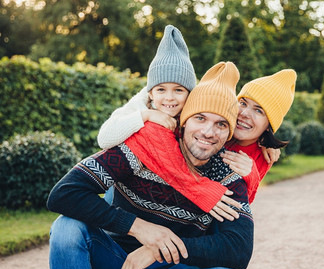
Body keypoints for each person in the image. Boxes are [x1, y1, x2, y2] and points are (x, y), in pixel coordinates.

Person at [47, 61, 253, 269]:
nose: (208, 132)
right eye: (200, 118)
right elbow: (64, 193)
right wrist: (138, 227)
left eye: (221, 124)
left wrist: (157, 250)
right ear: (184, 121)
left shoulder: (228, 176)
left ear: (229, 134)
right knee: (66, 228)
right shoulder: (141, 149)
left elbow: (239, 249)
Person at [98, 24, 244, 221]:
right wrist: (145, 116)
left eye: (178, 90)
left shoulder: (192, 112)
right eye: (161, 90)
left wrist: (266, 144)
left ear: (190, 93)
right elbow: (104, 138)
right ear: (150, 91)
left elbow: (221, 129)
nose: (169, 98)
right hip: (124, 185)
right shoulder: (141, 105)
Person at [99, 68, 297, 203]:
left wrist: (251, 175)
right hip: (137, 192)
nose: (244, 113)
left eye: (259, 111)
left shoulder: (261, 156)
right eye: (243, 102)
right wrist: (149, 101)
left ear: (269, 126)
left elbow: (241, 206)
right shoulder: (197, 122)